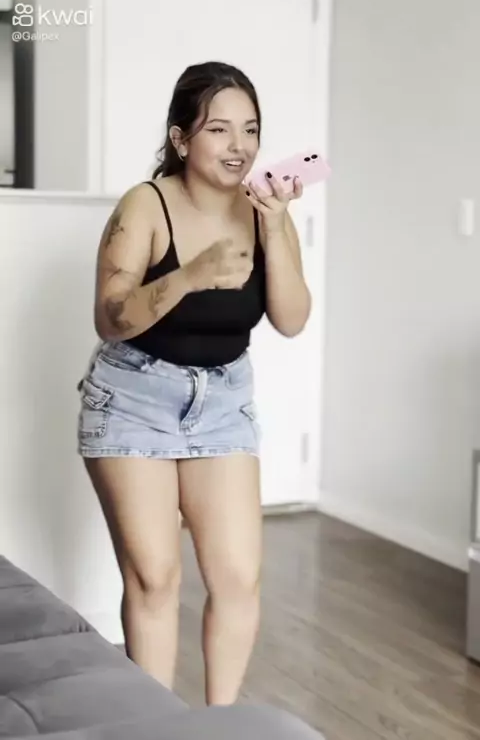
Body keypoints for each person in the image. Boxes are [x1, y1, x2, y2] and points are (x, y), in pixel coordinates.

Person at [77, 61, 311, 705]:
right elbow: (109, 318)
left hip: (223, 400)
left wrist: (276, 226)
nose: (240, 146)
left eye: (251, 129)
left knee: (237, 578)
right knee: (155, 580)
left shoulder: (264, 209)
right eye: (219, 129)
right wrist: (189, 276)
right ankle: (157, 729)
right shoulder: (146, 204)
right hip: (133, 397)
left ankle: (218, 727)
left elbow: (292, 319)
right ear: (181, 139)